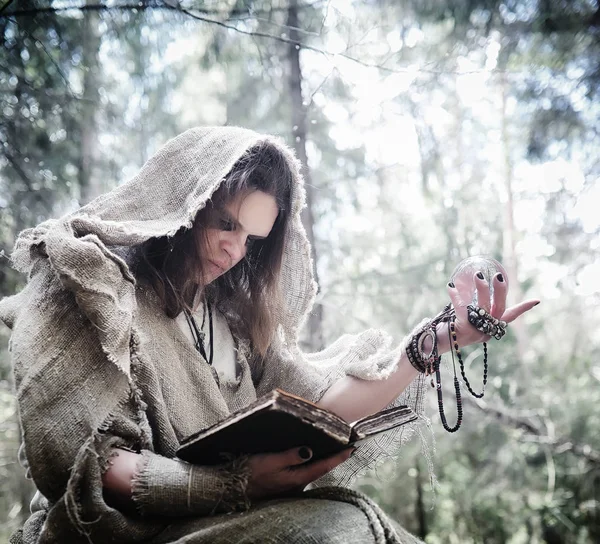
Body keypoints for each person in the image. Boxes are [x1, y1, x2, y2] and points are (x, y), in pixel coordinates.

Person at [0, 126, 538, 544]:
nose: (236, 251)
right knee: (338, 529)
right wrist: (235, 484)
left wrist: (434, 342)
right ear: (183, 205)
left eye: (253, 239)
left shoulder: (232, 317)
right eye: (227, 224)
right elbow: (87, 464)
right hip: (121, 535)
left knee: (367, 525)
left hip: (219, 522)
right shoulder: (87, 280)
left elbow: (326, 404)